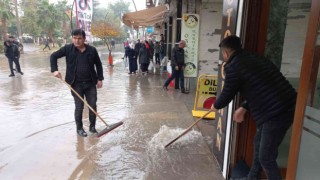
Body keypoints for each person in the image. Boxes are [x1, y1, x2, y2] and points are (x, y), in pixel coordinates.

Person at [211, 35, 297, 180]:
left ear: (226, 53)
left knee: (266, 157)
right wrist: (244, 107)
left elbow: (228, 93)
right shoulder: (255, 58)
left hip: (277, 113)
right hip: (283, 106)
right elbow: (260, 87)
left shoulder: (233, 66)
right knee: (258, 143)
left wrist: (216, 105)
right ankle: (252, 177)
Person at [50, 29, 104, 137]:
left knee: (92, 105)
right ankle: (79, 128)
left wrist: (100, 78)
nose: (77, 41)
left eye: (79, 38)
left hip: (90, 83)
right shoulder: (68, 49)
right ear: (72, 38)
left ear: (84, 39)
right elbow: (53, 56)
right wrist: (54, 70)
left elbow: (98, 64)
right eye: (74, 38)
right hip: (76, 84)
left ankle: (92, 127)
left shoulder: (92, 50)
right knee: (79, 106)